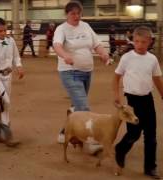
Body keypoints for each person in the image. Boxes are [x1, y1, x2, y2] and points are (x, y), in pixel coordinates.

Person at [53, 1, 110, 153]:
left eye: (78, 13)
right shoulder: (61, 29)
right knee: (84, 107)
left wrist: (103, 54)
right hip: (69, 73)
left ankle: (64, 132)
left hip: (86, 73)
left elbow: (96, 44)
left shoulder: (86, 26)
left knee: (76, 107)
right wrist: (65, 55)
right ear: (67, 14)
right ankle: (90, 142)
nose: (76, 16)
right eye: (73, 13)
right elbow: (57, 45)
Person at [113, 26, 163, 179]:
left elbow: (156, 79)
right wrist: (117, 95)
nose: (140, 45)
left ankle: (150, 167)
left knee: (151, 136)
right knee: (134, 133)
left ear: (150, 41)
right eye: (137, 41)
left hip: (148, 99)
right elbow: (116, 77)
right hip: (132, 101)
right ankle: (120, 149)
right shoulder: (127, 58)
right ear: (133, 41)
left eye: (143, 42)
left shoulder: (152, 59)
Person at [0, 18, 24, 147]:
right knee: (5, 102)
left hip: (8, 76)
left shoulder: (10, 40)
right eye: (0, 31)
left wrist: (18, 66)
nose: (3, 33)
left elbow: (16, 56)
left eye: (5, 30)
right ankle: (8, 134)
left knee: (3, 105)